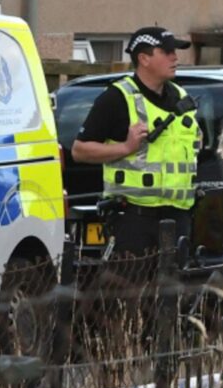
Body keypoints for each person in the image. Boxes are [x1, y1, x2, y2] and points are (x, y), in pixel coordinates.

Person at [68, 26, 201, 350]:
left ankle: (162, 366)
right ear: (143, 58)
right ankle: (115, 367)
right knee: (122, 302)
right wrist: (125, 147)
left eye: (176, 51)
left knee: (169, 302)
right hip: (135, 219)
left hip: (178, 218)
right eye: (167, 51)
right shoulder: (117, 98)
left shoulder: (182, 99)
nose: (175, 57)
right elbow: (80, 150)